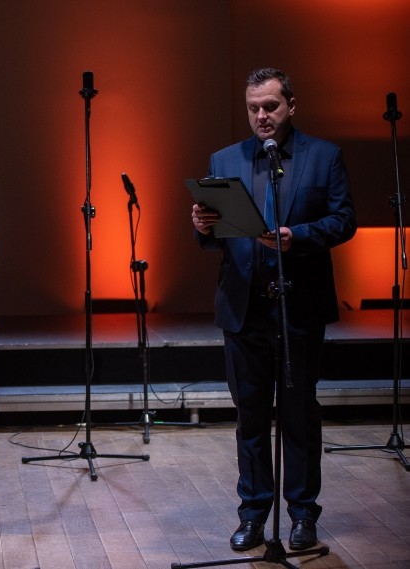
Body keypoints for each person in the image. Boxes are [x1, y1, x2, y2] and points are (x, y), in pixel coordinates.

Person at [192, 68, 356, 552]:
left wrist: (296, 237)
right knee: (250, 417)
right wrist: (202, 225)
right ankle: (253, 515)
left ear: (291, 106)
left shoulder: (323, 156)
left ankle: (303, 516)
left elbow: (344, 220)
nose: (261, 116)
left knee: (300, 415)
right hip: (245, 310)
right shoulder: (225, 159)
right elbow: (213, 237)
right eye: (253, 108)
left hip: (298, 308)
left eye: (270, 106)